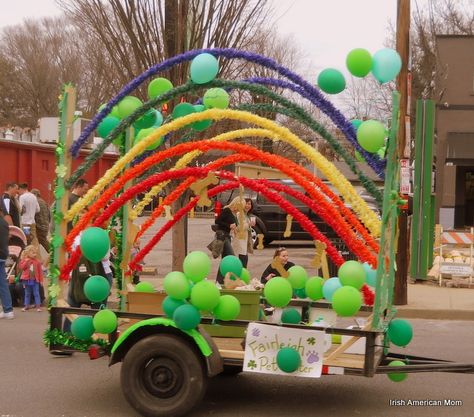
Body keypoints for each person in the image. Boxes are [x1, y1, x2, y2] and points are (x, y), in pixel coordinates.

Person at [213, 196, 241, 284]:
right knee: (231, 257)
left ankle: (219, 281)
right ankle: (224, 280)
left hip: (228, 236)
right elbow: (217, 221)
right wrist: (228, 226)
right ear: (236, 204)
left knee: (225, 260)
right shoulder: (227, 210)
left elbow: (235, 224)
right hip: (222, 236)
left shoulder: (234, 213)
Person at [18, 245, 44, 312]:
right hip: (27, 280)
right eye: (33, 253)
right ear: (28, 253)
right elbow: (22, 267)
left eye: (35, 253)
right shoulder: (25, 260)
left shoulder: (37, 262)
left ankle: (38, 306)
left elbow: (40, 272)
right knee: (27, 293)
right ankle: (26, 305)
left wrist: (41, 280)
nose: (35, 254)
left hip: (35, 280)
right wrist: (26, 261)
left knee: (36, 293)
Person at [231, 197, 254, 268]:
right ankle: (241, 276)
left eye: (249, 204)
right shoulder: (239, 214)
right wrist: (249, 224)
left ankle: (242, 276)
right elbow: (238, 228)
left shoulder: (245, 215)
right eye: (246, 204)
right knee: (242, 260)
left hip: (243, 241)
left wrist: (249, 226)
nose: (248, 206)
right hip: (239, 240)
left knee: (244, 259)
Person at [0, 211, 14, 319]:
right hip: (3, 254)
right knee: (3, 283)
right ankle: (8, 309)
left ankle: (8, 310)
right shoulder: (4, 223)